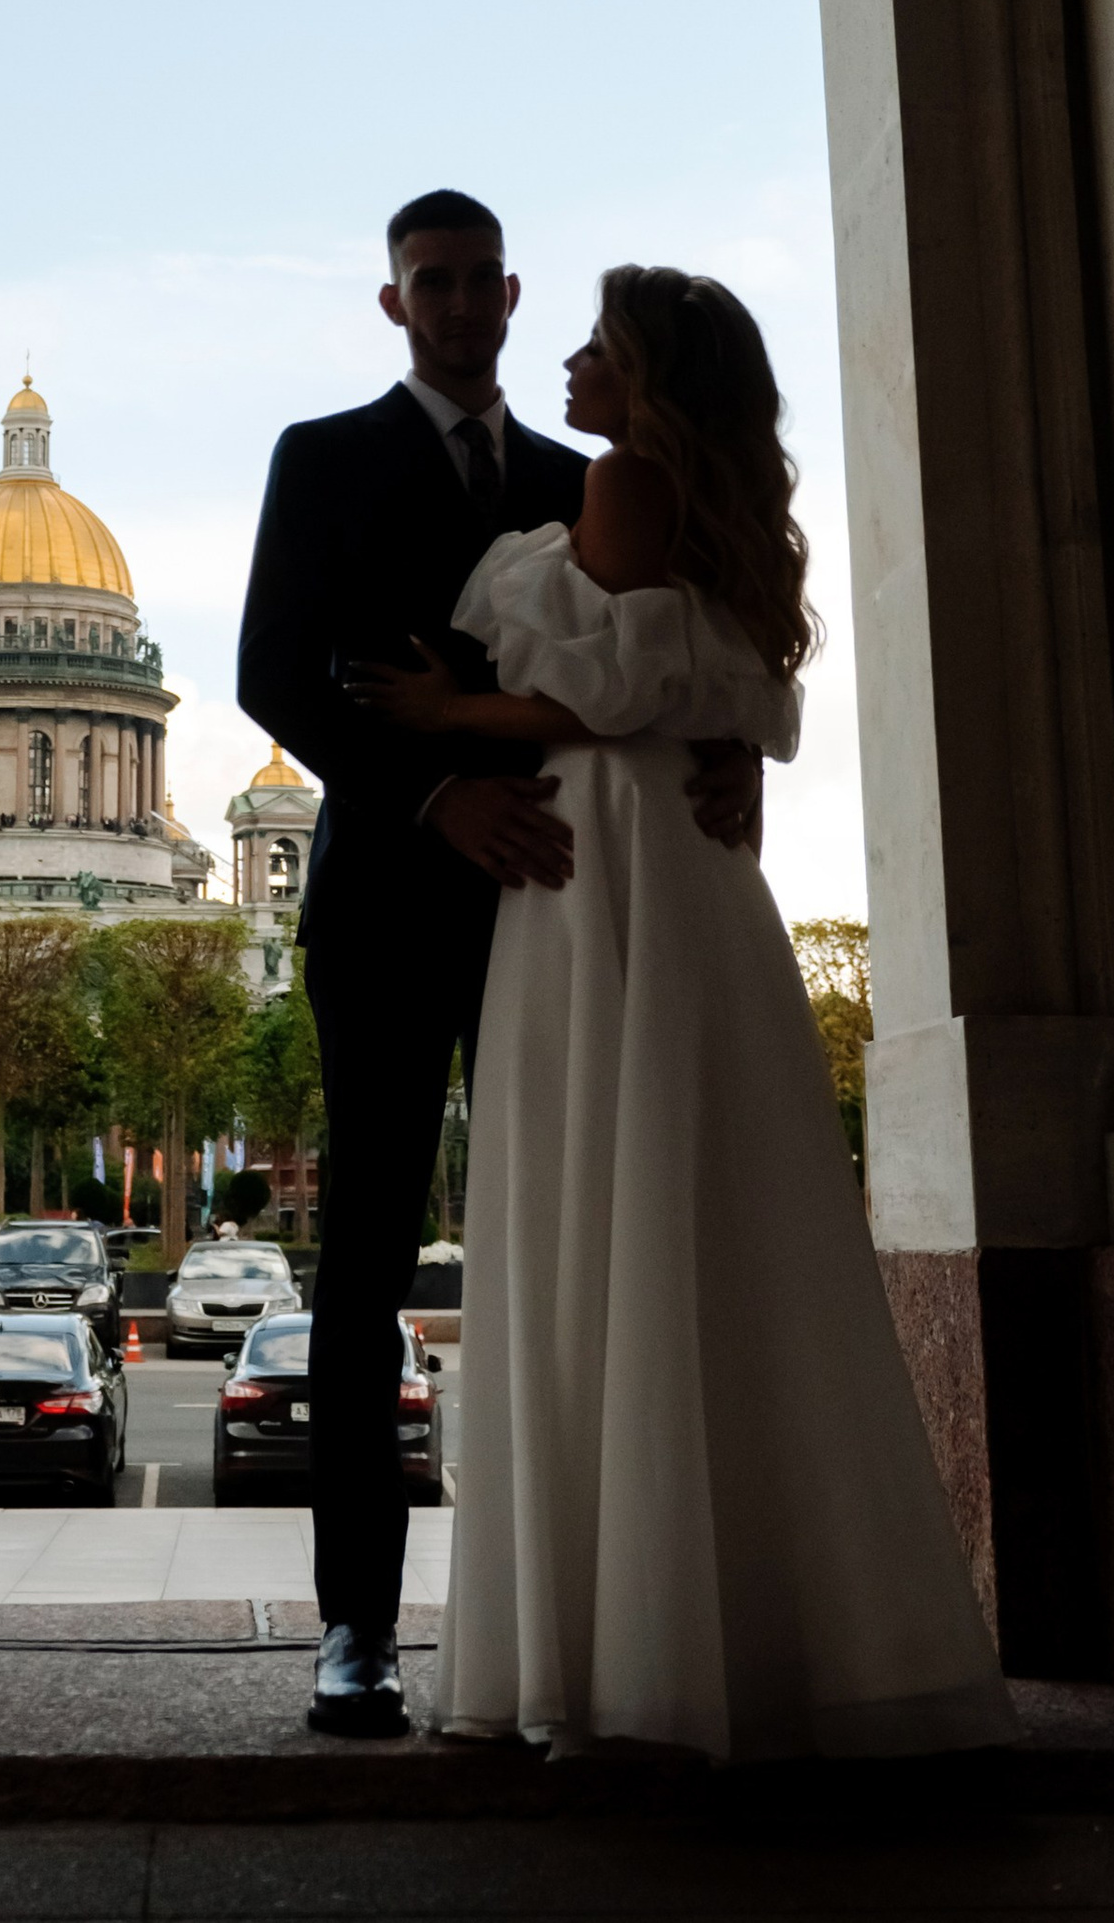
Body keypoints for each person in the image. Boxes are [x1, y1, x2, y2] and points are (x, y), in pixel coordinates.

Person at [352, 264, 1010, 1762]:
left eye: (600, 346)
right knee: (701, 1216)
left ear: (649, 378)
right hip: (678, 871)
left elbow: (620, 691)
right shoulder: (687, 498)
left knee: (598, 1205)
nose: (572, 364)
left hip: (602, 866)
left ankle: (614, 1650)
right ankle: (761, 1631)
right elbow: (696, 684)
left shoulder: (624, 481)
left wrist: (448, 718)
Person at [237, 190, 758, 1740]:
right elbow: (278, 669)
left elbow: (679, 645)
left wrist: (735, 749)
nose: (459, 305)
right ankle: (357, 1629)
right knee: (368, 1264)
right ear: (393, 303)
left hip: (569, 897)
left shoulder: (589, 473)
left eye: (479, 281)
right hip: (397, 900)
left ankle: (582, 1626)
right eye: (429, 283)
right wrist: (429, 793)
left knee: (583, 1249)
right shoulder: (320, 457)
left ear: (513, 296)